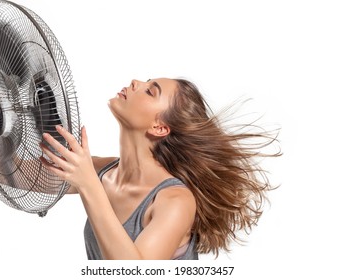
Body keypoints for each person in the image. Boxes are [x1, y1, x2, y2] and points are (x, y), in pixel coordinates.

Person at [39, 77, 280, 260]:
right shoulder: (103, 171)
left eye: (150, 91)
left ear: (160, 128)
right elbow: (18, 175)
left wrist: (89, 185)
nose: (135, 82)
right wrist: (5, 124)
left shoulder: (175, 200)